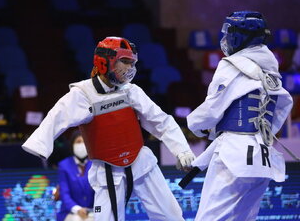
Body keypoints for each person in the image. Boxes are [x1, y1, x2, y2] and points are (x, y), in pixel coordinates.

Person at [22, 36, 195, 221]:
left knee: (172, 216)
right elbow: (56, 118)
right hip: (107, 170)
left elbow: (160, 121)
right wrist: (39, 145)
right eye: (125, 62)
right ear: (104, 62)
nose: (129, 69)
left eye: (132, 63)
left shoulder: (131, 91)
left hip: (141, 162)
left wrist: (182, 150)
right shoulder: (83, 94)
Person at [187, 11, 293, 221]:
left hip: (234, 156)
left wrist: (194, 124)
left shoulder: (231, 65)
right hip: (262, 157)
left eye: (229, 32)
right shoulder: (271, 71)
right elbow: (284, 104)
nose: (225, 38)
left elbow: (211, 110)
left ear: (239, 36)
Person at [57, 130, 94, 221]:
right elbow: (64, 194)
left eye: (85, 142)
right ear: (72, 145)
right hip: (70, 211)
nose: (82, 145)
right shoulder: (64, 165)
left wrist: (95, 210)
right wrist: (78, 209)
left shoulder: (95, 164)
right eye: (78, 142)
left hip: (93, 211)